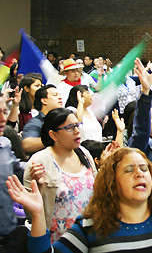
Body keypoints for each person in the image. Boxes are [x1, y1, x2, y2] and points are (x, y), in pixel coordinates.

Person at [7, 146, 152, 252]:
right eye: (129, 170)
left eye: (144, 168)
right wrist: (37, 215)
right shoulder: (90, 227)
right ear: (112, 182)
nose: (139, 174)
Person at [23, 108, 97, 242]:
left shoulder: (84, 153)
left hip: (90, 236)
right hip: (58, 240)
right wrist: (37, 187)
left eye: (77, 125)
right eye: (70, 127)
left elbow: (98, 190)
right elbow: (31, 213)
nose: (76, 131)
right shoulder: (38, 162)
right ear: (53, 135)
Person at [0, 93, 27, 252]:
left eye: (4, 112)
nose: (3, 118)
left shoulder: (5, 144)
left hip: (9, 235)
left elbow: (18, 167)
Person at [22, 85, 63, 154]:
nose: (60, 98)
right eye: (55, 95)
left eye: (60, 95)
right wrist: (55, 138)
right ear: (44, 100)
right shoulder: (35, 122)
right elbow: (26, 145)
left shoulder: (63, 119)